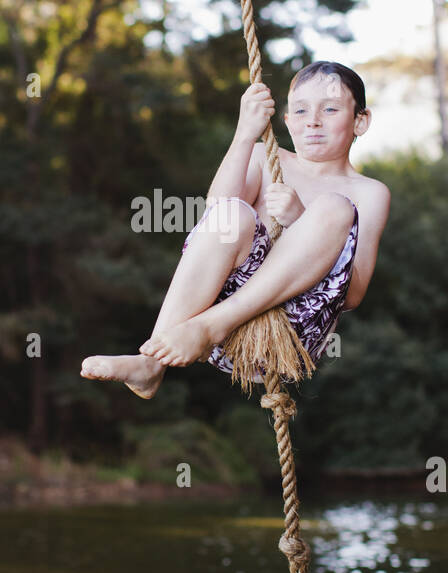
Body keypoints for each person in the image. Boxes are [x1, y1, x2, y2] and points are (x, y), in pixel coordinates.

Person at [80, 61, 391, 399]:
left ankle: (208, 327)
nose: (313, 120)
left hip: (290, 332)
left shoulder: (369, 192)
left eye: (330, 109)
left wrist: (300, 219)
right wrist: (245, 134)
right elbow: (215, 217)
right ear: (287, 121)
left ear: (361, 120)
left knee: (334, 206)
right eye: (301, 110)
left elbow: (353, 294)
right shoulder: (265, 157)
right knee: (232, 212)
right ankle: (151, 363)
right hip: (217, 328)